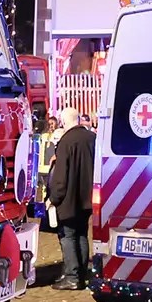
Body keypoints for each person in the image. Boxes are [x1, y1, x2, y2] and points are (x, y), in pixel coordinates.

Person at [46, 106, 96, 290]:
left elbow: (61, 177)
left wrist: (54, 198)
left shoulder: (66, 142)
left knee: (67, 236)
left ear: (64, 121)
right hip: (87, 197)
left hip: (69, 199)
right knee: (81, 234)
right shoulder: (92, 138)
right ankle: (82, 275)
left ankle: (72, 277)